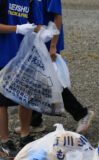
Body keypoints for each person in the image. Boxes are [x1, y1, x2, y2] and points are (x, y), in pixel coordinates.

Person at [14, 0, 94, 134]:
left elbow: (58, 17)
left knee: (53, 83)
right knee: (34, 81)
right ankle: (35, 121)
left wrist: (53, 45)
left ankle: (82, 114)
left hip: (48, 44)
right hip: (36, 42)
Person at [0, 0, 42, 157]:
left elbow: (36, 24)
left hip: (24, 55)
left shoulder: (31, 0)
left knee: (25, 97)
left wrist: (45, 32)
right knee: (1, 102)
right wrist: (16, 28)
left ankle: (25, 136)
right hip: (2, 55)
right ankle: (5, 141)